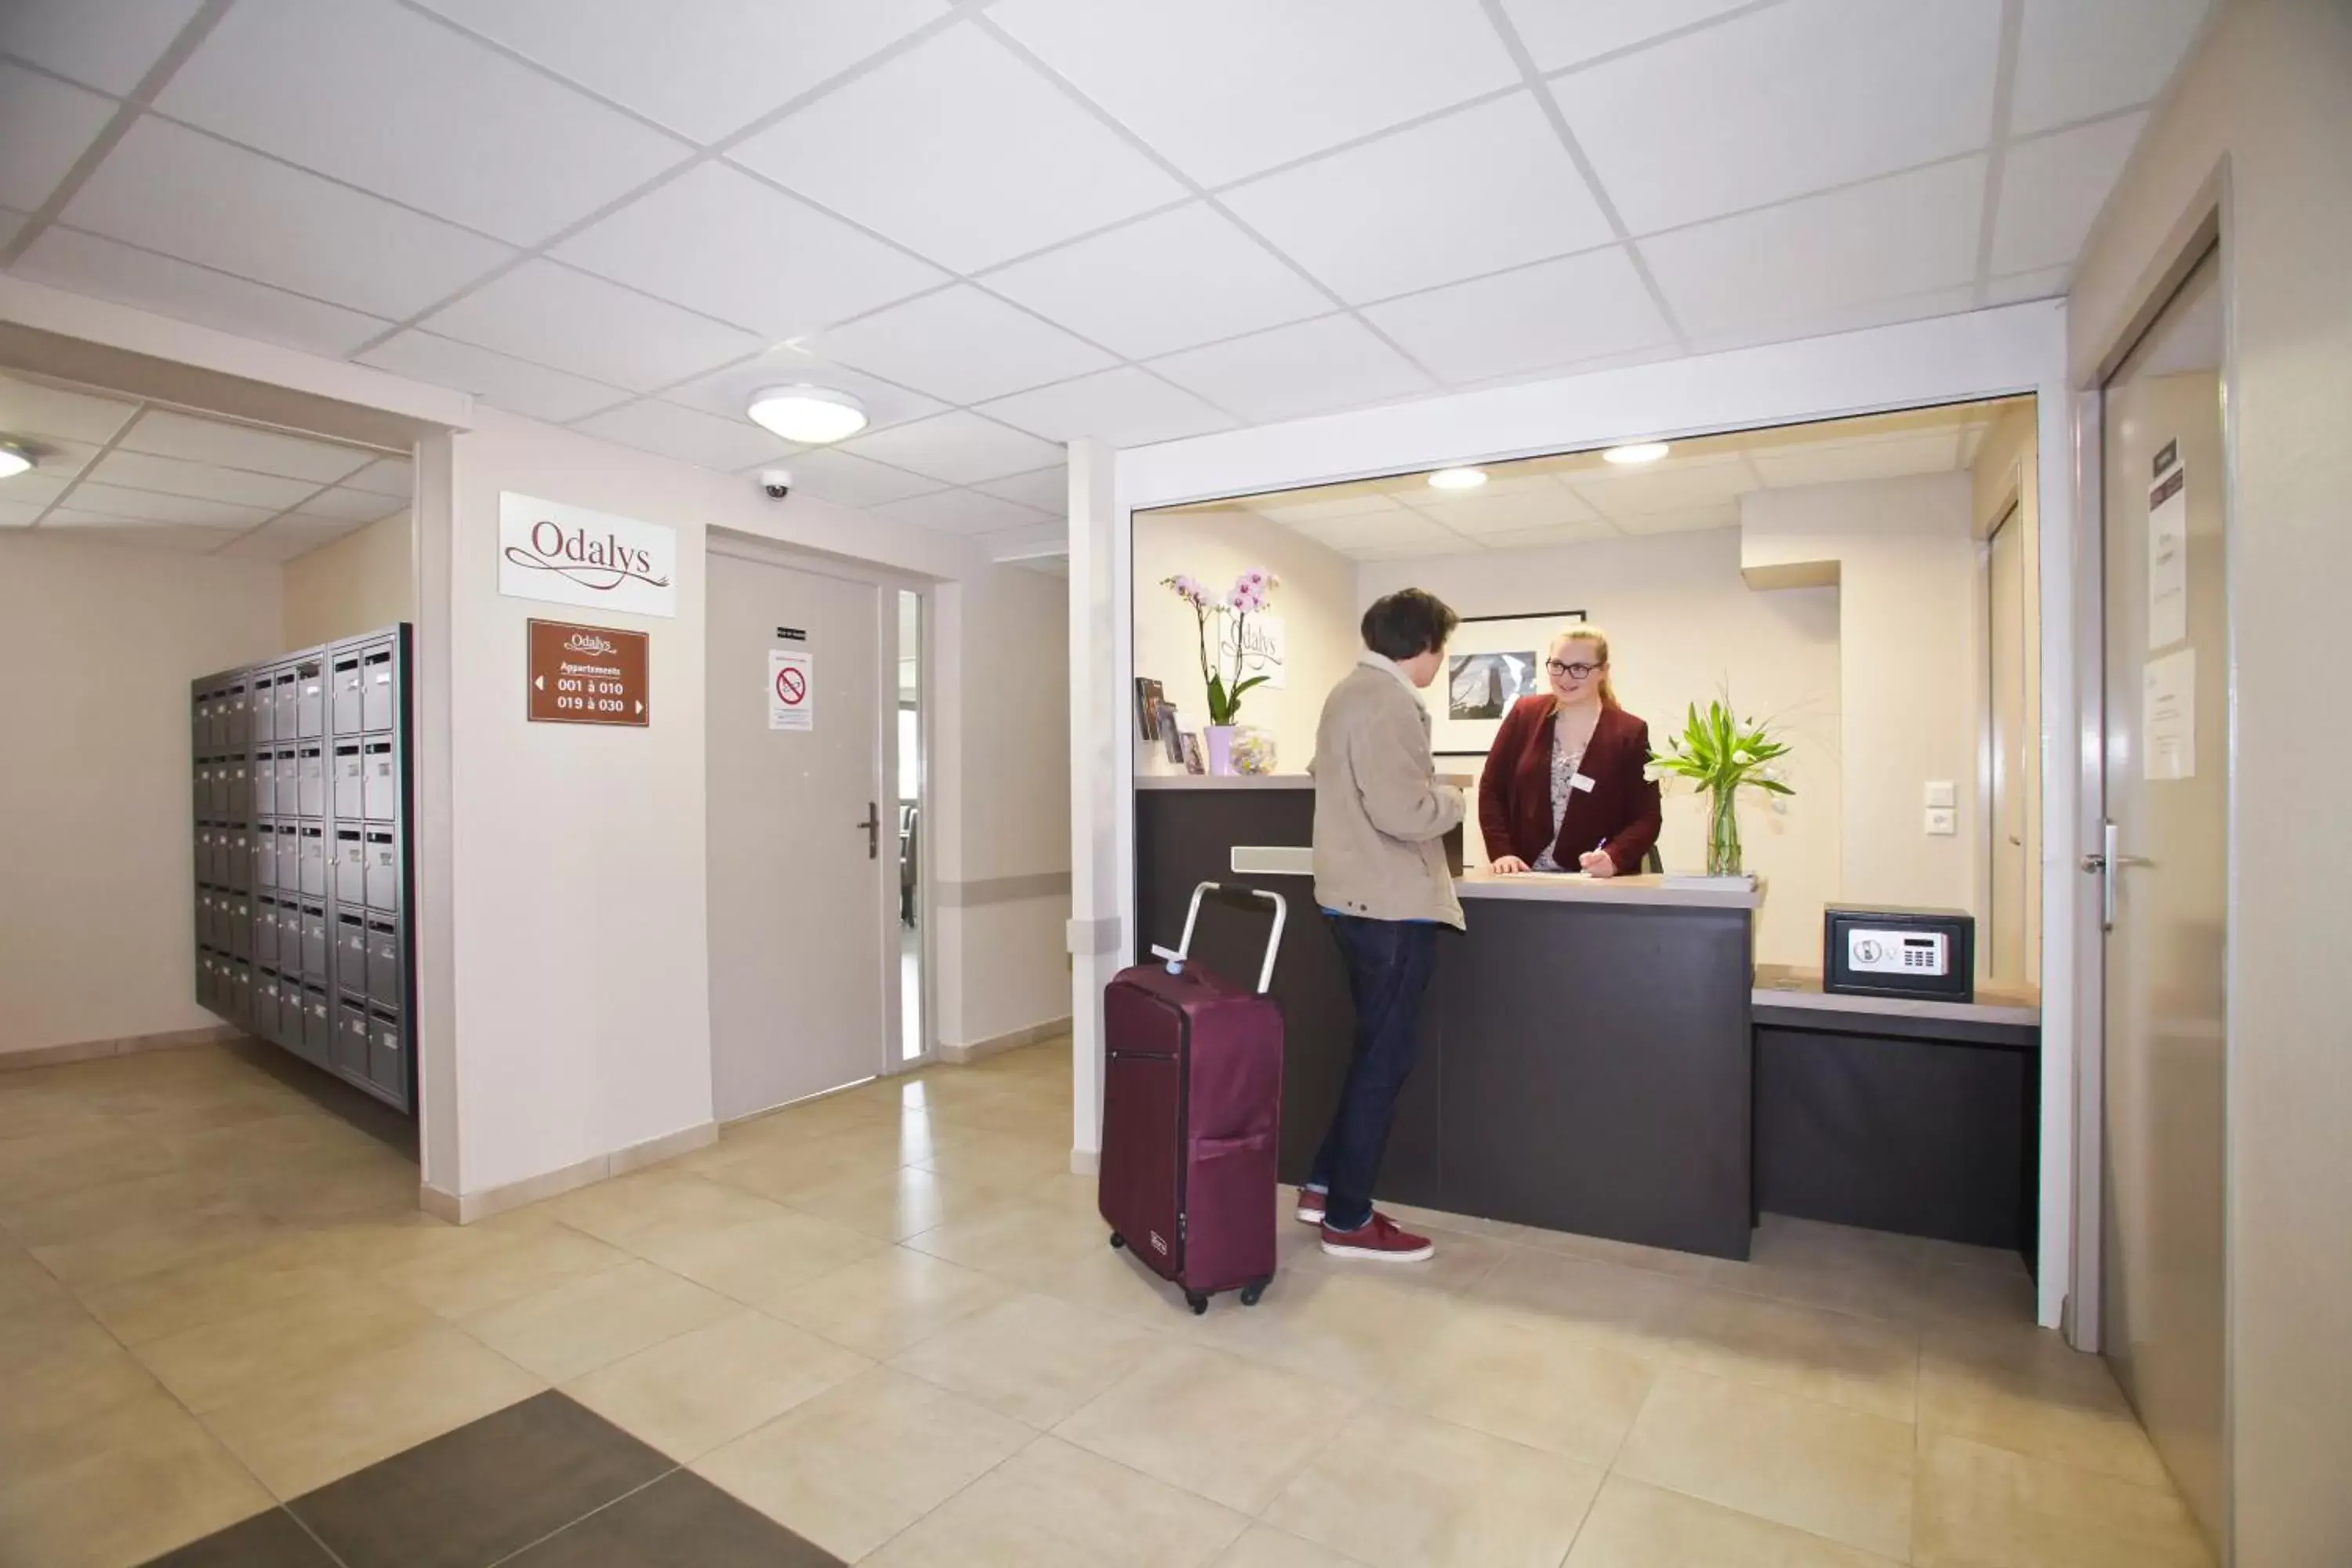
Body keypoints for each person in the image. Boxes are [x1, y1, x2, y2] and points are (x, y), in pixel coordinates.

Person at [1301, 588, 1465, 1261]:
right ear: (1423, 645)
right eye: (1441, 648)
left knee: (1372, 1052)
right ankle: (1347, 1218)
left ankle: (1321, 1186)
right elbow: (1404, 811)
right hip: (1390, 905)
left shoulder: (1346, 691)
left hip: (1349, 899)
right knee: (1382, 1063)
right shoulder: (1393, 701)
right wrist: (1454, 799)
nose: (1440, 660)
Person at [1479, 625, 1662, 877]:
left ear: (1603, 672)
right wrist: (1502, 851)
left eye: (1579, 669)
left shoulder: (1630, 732)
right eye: (1557, 665)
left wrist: (1614, 856)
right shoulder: (1524, 714)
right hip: (1523, 877)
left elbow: (1647, 817)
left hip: (1595, 885)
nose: (1565, 678)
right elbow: (1491, 789)